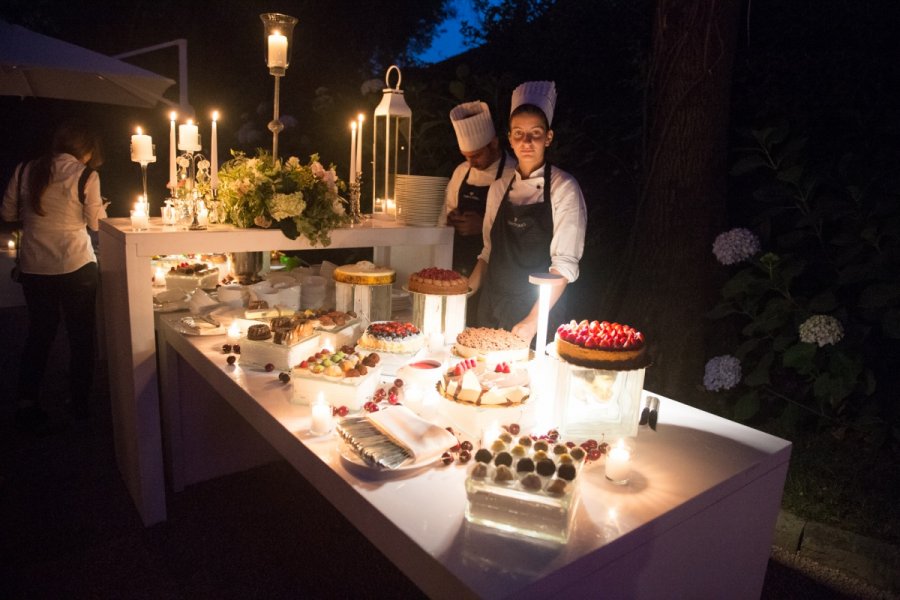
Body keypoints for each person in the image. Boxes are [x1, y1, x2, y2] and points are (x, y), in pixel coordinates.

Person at [1, 121, 107, 430]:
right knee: (81, 336)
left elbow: (8, 213)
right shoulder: (86, 175)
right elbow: (96, 225)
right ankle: (79, 402)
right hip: (76, 264)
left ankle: (26, 401)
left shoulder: (25, 170)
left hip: (36, 266)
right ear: (85, 151)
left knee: (40, 334)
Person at [469, 81, 587, 344]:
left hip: (539, 314)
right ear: (509, 138)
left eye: (536, 133)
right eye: (519, 133)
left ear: (549, 137)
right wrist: (459, 293)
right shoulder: (498, 189)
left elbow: (564, 266)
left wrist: (532, 321)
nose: (527, 141)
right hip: (491, 307)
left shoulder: (564, 188)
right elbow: (488, 253)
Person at [440, 101, 517, 277]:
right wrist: (451, 219)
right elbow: (446, 209)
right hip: (456, 262)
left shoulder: (513, 174)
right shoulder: (461, 171)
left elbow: (519, 228)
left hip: (495, 268)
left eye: (476, 156)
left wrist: (482, 225)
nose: (471, 163)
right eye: (466, 157)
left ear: (494, 143)